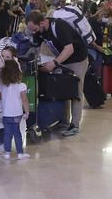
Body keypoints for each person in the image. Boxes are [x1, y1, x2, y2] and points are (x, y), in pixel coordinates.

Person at [26, 10, 87, 138]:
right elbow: (35, 48)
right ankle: (63, 121)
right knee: (62, 90)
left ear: (42, 23)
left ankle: (75, 125)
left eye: (35, 29)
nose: (33, 32)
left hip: (77, 59)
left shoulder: (59, 26)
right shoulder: (39, 31)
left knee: (75, 91)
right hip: (62, 59)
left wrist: (54, 63)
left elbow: (69, 49)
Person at [0, 57, 30, 161]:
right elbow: (24, 100)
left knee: (7, 134)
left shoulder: (1, 85)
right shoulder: (21, 86)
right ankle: (20, 153)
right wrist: (27, 112)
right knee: (17, 133)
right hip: (17, 114)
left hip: (6, 115)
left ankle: (7, 153)